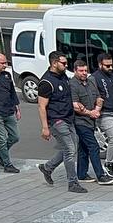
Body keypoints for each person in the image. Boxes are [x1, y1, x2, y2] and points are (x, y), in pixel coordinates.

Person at [37, 51, 82, 193]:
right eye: (63, 63)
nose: (66, 65)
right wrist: (45, 127)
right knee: (70, 150)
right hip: (57, 121)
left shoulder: (64, 77)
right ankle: (72, 183)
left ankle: (47, 167)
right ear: (54, 63)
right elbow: (41, 106)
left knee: (72, 147)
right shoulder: (46, 82)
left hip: (69, 118)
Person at [69, 59, 113, 186]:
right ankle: (100, 175)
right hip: (80, 121)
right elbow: (76, 105)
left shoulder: (91, 81)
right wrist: (91, 113)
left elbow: (99, 98)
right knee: (93, 146)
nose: (84, 73)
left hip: (91, 121)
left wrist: (97, 110)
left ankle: (82, 174)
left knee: (83, 148)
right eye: (81, 71)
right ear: (75, 71)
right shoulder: (72, 84)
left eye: (86, 71)